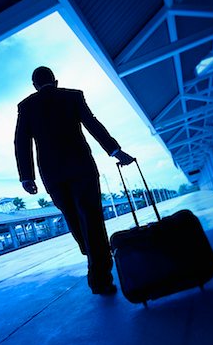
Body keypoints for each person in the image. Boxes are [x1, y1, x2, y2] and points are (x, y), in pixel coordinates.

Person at [14, 66, 134, 295]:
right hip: (81, 168)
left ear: (34, 85)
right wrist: (116, 151)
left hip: (52, 174)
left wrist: (27, 177)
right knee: (92, 220)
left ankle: (94, 259)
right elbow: (93, 125)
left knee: (74, 219)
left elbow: (21, 142)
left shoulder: (27, 106)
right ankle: (99, 271)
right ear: (55, 81)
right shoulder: (72, 96)